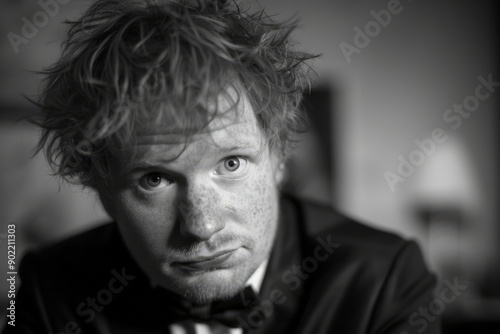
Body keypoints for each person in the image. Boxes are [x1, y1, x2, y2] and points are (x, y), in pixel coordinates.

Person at [6, 0, 440, 333]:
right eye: (154, 179)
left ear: (278, 158)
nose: (202, 225)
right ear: (101, 188)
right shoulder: (49, 292)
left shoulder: (385, 281)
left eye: (231, 163)